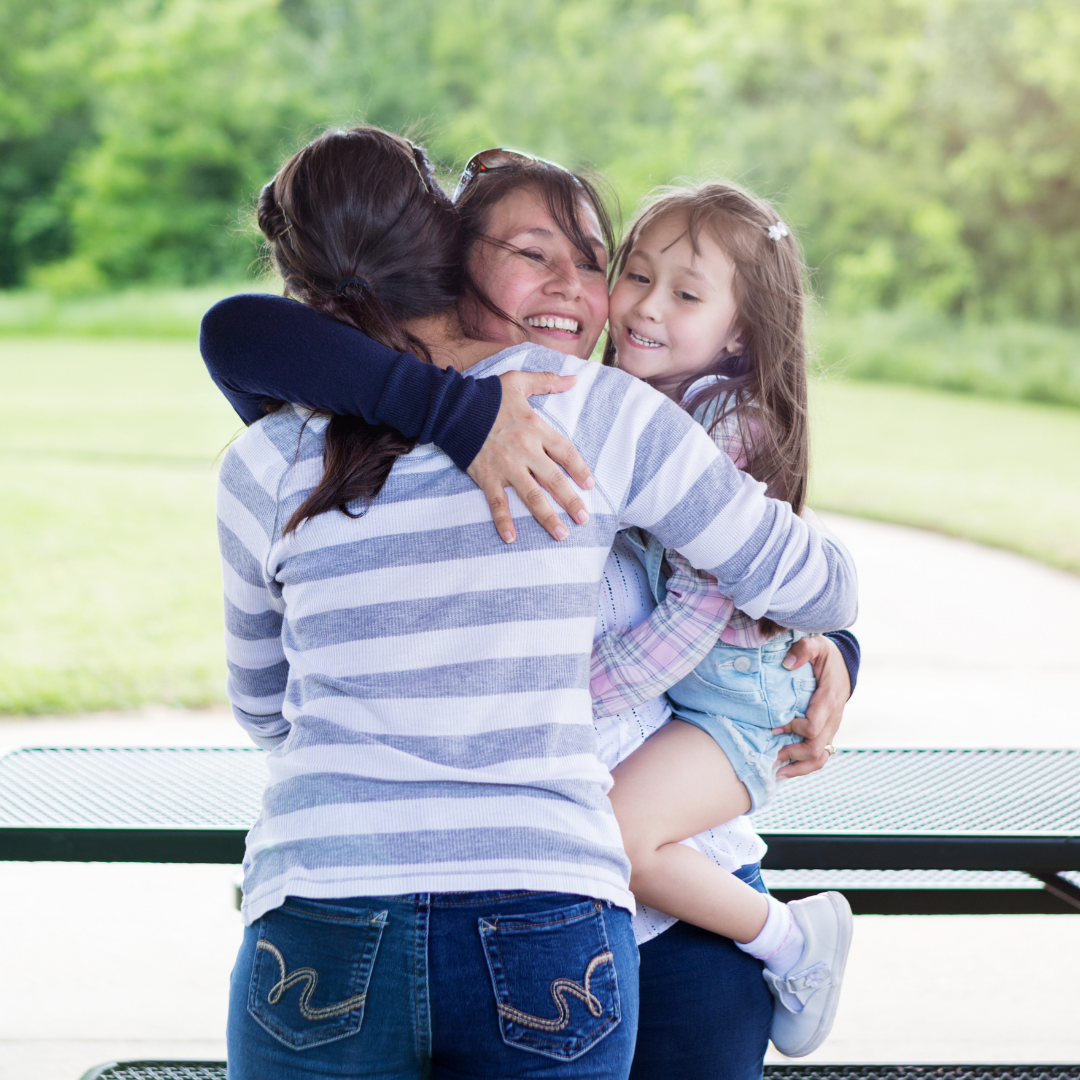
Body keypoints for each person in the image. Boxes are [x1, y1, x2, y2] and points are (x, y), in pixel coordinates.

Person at [205, 140, 860, 1079]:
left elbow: (266, 710)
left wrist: (831, 646)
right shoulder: (597, 415)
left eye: (595, 261)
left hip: (606, 901)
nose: (584, 287)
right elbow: (237, 329)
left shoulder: (267, 459)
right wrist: (459, 416)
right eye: (534, 255)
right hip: (555, 902)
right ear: (452, 260)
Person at [588, 180, 852, 1058]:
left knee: (625, 837)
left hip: (735, 705)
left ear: (740, 330)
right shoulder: (636, 405)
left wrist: (598, 684)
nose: (645, 306)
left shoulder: (723, 430)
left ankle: (792, 940)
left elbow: (703, 603)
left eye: (686, 293)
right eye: (636, 274)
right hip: (715, 697)